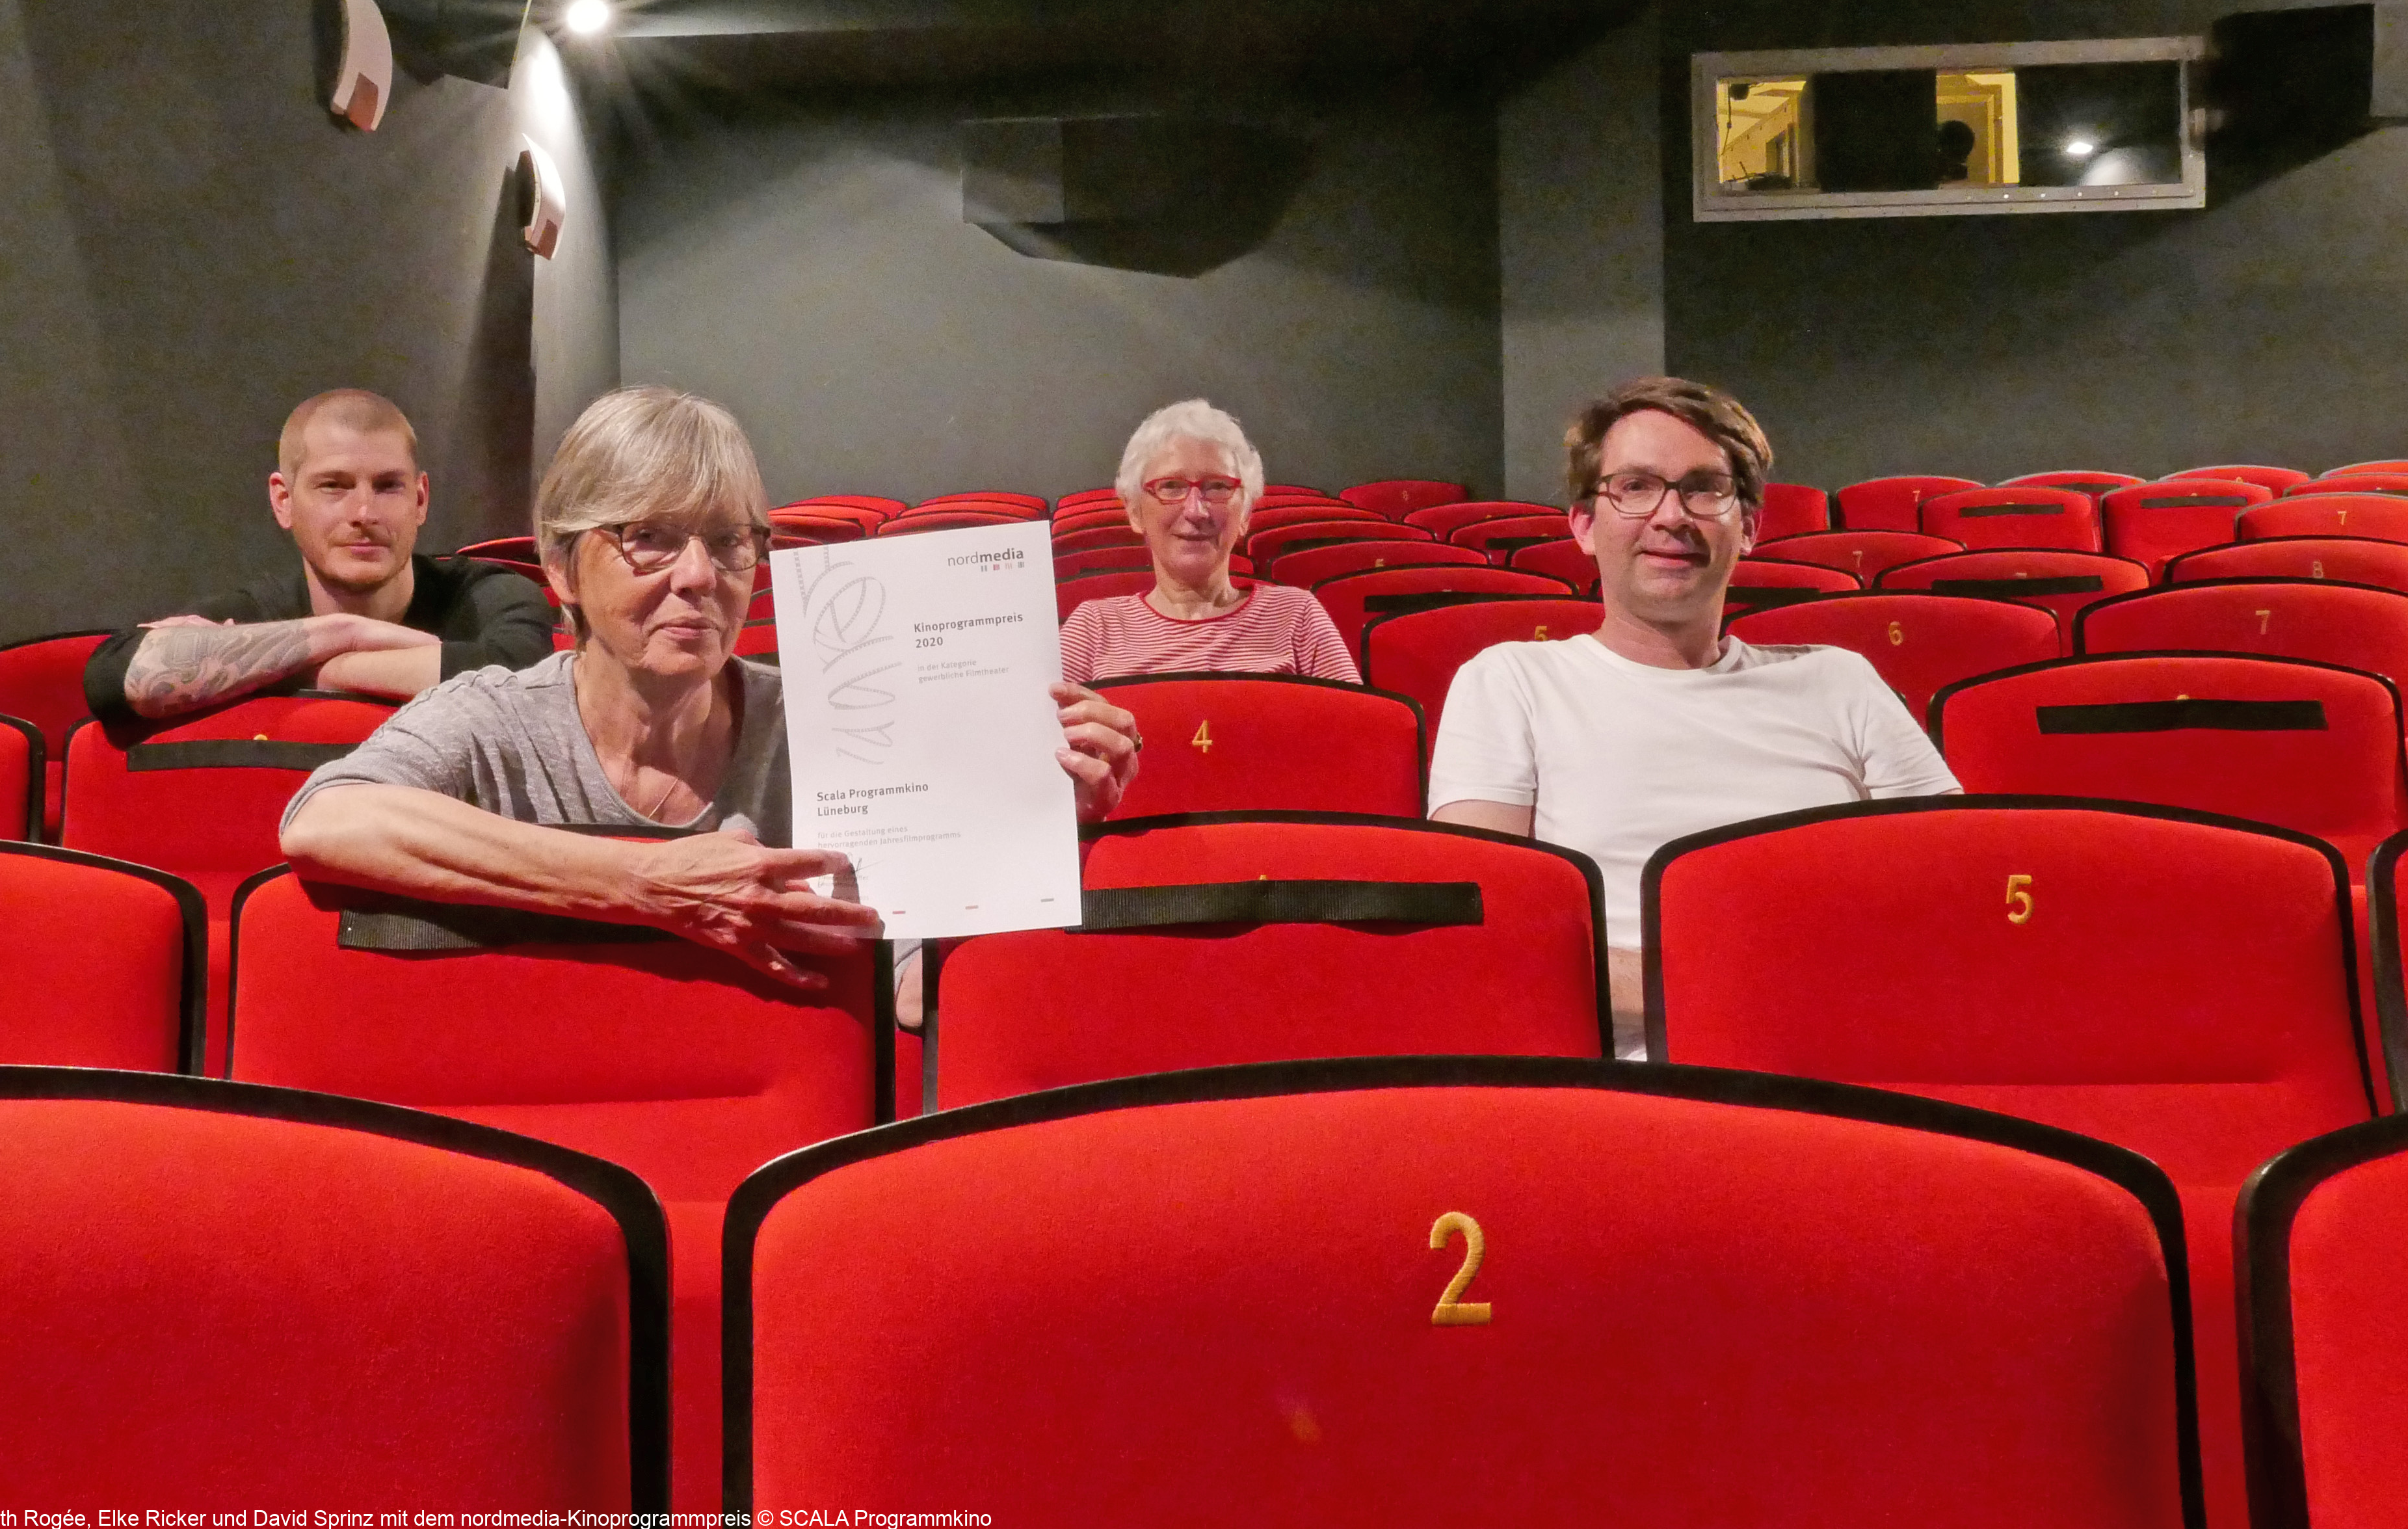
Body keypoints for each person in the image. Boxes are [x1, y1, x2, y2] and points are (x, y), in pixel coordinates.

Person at [279, 386, 1144, 988]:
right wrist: (643, 885)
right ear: (560, 567)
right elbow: (326, 819)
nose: (701, 575)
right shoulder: (495, 717)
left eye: (731, 542)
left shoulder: (829, 728)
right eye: (649, 537)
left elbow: (909, 985)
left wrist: (1033, 819)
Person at [1426, 376, 1957, 1056]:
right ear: (1584, 525)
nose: (1671, 515)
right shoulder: (1511, 681)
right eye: (1636, 486)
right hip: (1627, 1075)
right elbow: (1488, 922)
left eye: (1705, 488)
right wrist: (1737, 989)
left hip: (1850, 1052)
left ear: (1751, 526)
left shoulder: (1838, 680)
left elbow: (1951, 886)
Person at [82, 389, 555, 723]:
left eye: (389, 486)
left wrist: (277, 666)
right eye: (335, 486)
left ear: (420, 499)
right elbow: (116, 676)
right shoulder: (260, 608)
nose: (364, 512)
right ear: (283, 501)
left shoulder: (489, 594)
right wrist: (343, 631)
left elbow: (519, 678)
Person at [1057, 399, 1359, 683]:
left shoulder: (1297, 616)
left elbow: (1363, 733)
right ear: (1135, 511)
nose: (1195, 510)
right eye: (1171, 486)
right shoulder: (1094, 628)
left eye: (1217, 487)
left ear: (1245, 513)